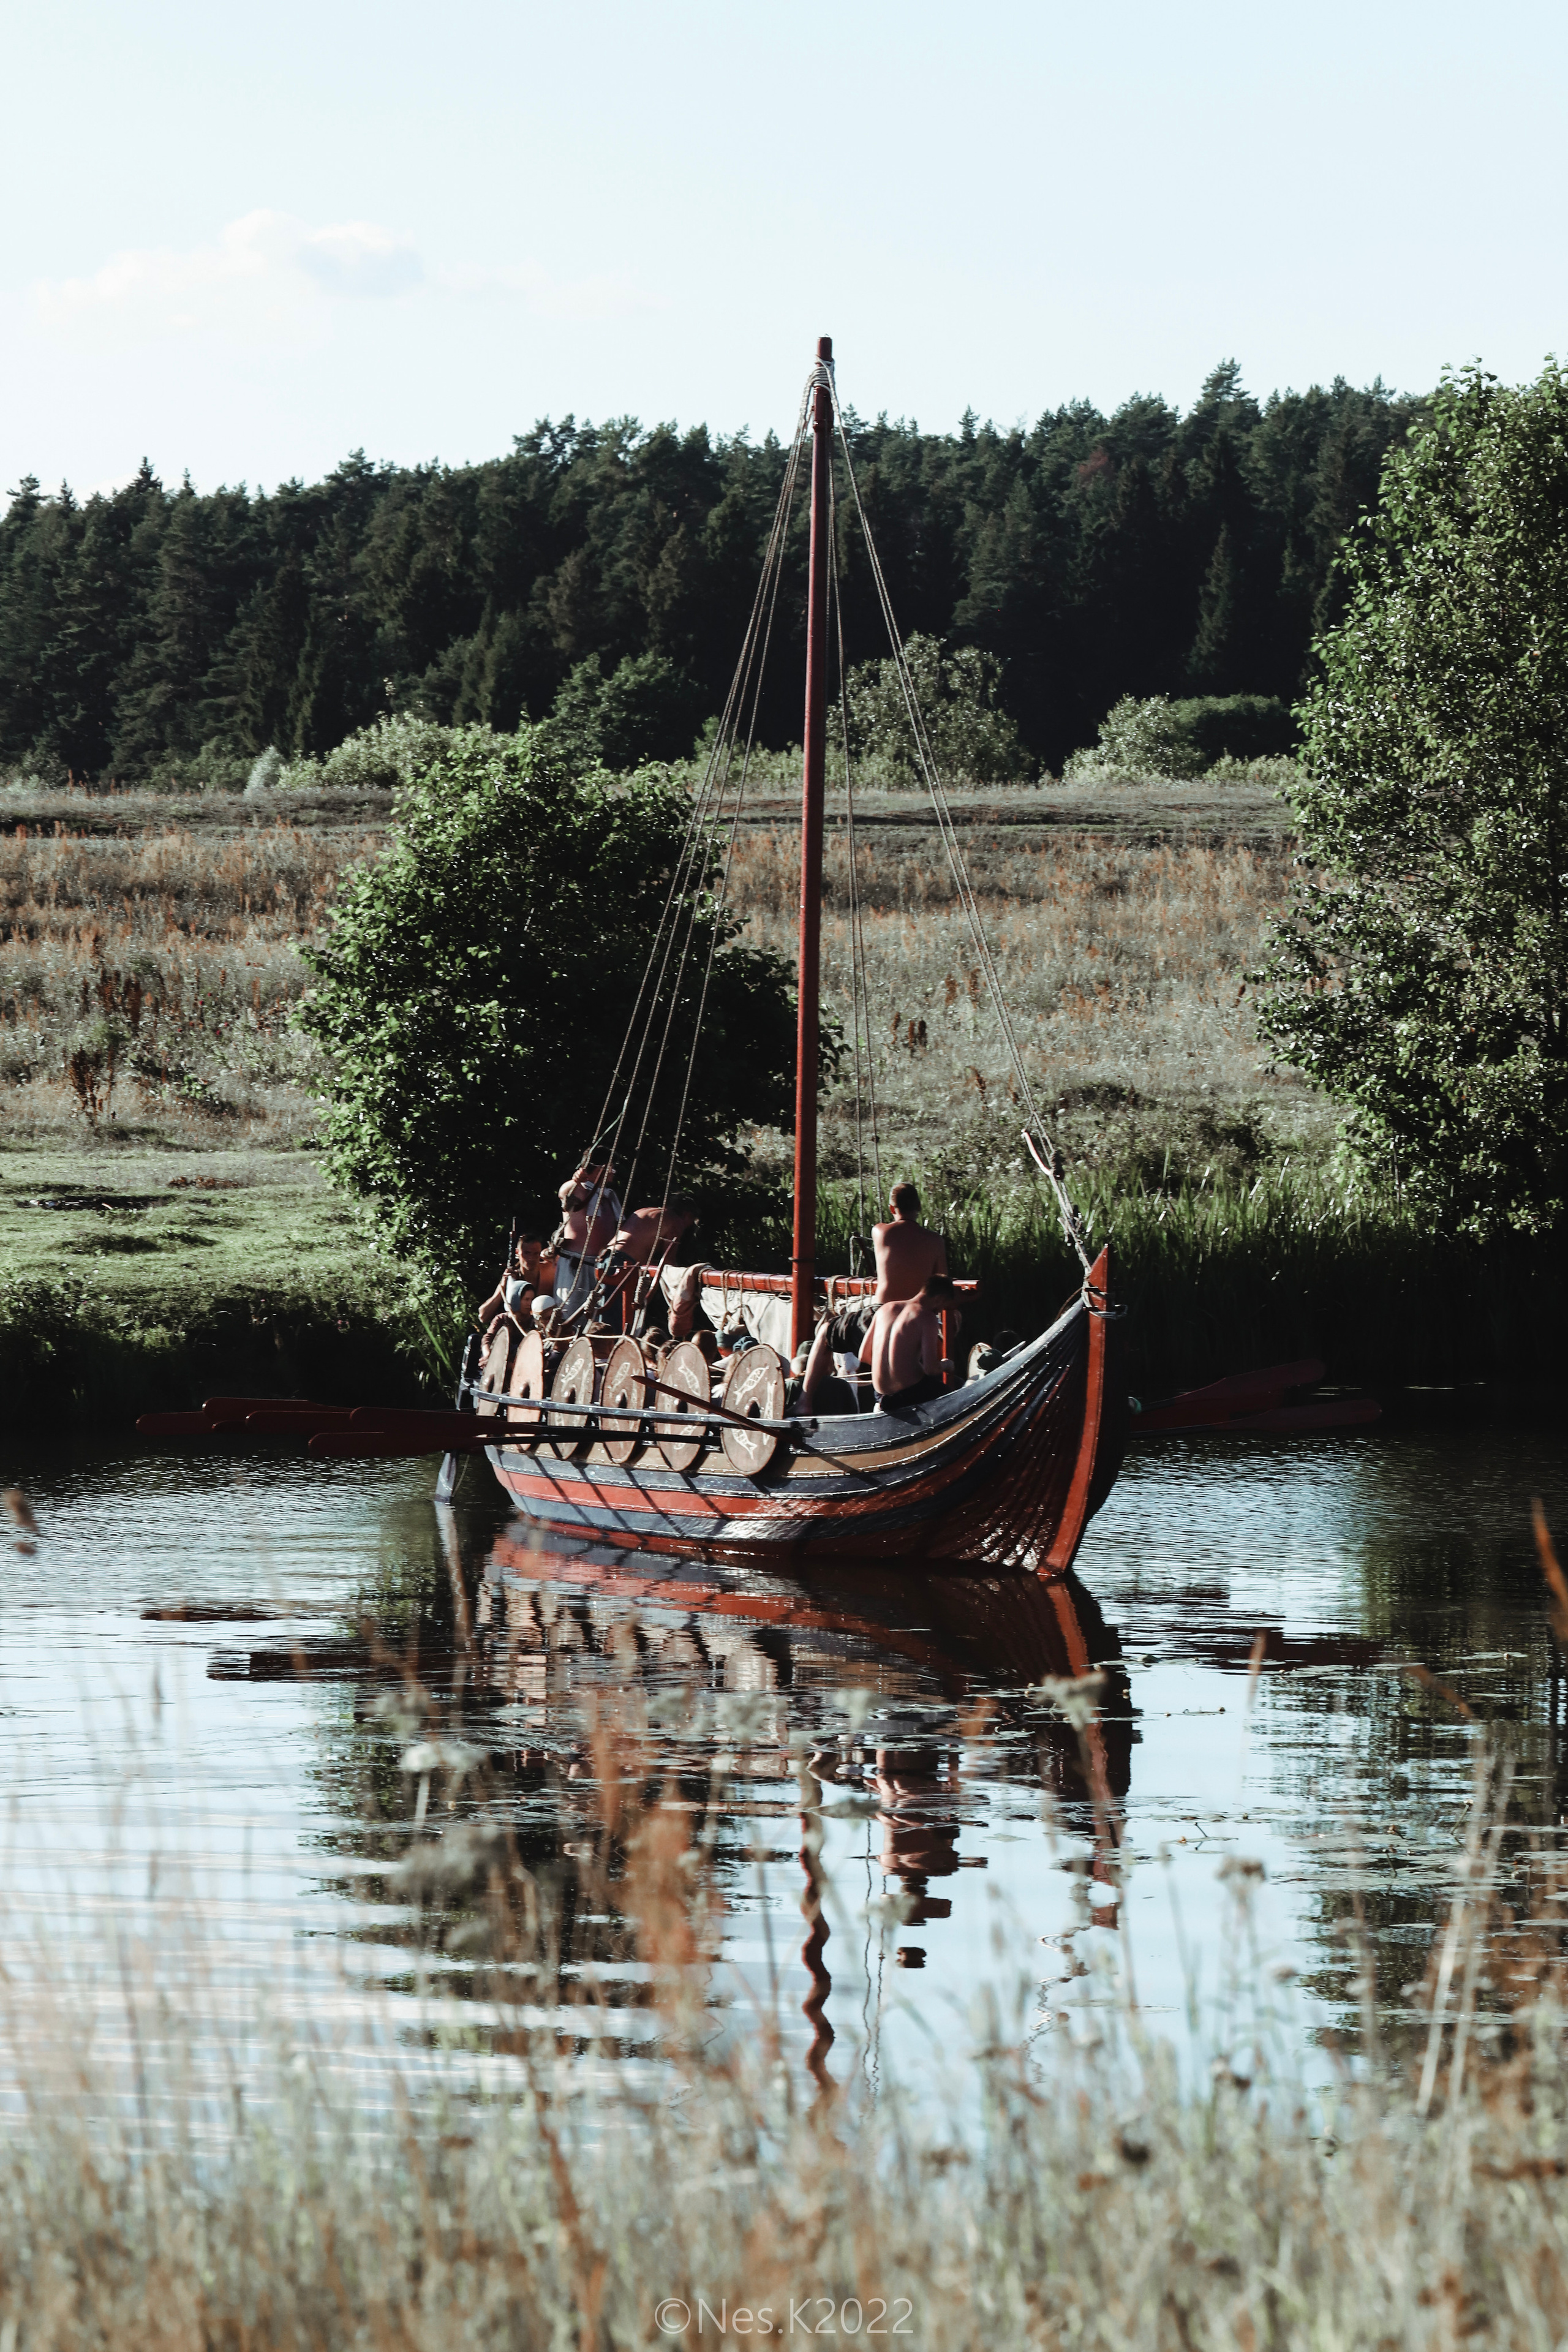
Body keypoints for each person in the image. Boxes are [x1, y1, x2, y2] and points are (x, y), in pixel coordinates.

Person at [803, 1179, 951, 1411]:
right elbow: (942, 1279)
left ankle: (805, 1402)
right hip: (916, 1315)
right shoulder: (935, 1241)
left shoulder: (880, 1232)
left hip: (882, 1311)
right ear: (919, 1207)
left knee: (825, 1332)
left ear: (893, 1209)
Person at [864, 1273, 960, 1413]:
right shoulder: (928, 1317)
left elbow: (864, 1355)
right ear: (939, 1299)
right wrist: (947, 1365)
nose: (940, 1311)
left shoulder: (885, 1309)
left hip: (881, 1395)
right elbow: (931, 1369)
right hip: (908, 1395)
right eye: (943, 1306)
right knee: (952, 1398)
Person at [551, 1161, 623, 1314]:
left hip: (601, 1267)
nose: (614, 1172)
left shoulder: (609, 1196)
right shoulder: (577, 1189)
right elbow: (564, 1193)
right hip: (576, 1265)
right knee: (569, 1316)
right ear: (599, 1167)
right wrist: (576, 1180)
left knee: (597, 1320)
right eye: (611, 1167)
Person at [476, 1231, 552, 1335]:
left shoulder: (550, 1272)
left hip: (542, 1334)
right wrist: (503, 1286)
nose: (531, 1258)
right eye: (527, 1253)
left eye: (536, 1254)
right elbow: (483, 1317)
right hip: (514, 1334)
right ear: (518, 1253)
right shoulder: (511, 1279)